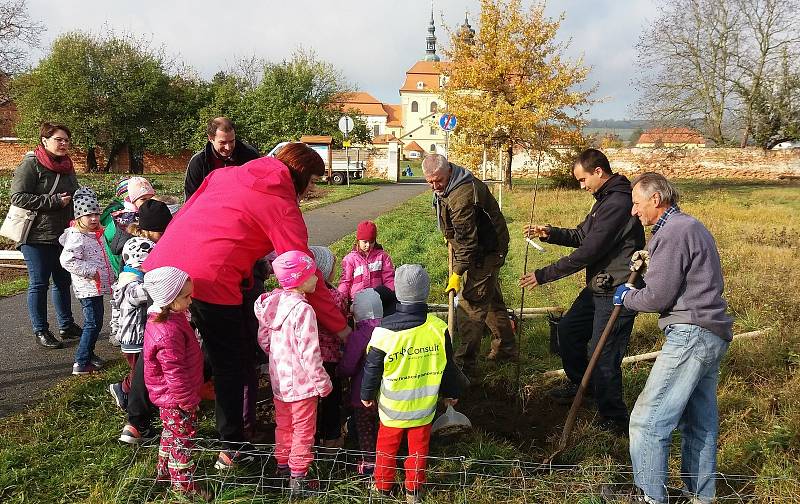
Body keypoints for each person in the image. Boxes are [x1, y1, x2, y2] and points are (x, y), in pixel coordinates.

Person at [143, 142, 350, 469]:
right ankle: (233, 445)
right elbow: (302, 270)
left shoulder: (227, 174)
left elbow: (190, 208)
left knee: (161, 338)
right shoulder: (281, 204)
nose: (311, 189)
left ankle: (137, 418)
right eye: (311, 181)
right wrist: (341, 327)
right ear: (298, 175)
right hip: (210, 276)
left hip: (165, 265)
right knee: (232, 360)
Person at [615, 173, 733, 504]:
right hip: (712, 333)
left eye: (637, 204)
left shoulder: (672, 232)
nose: (634, 212)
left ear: (656, 199)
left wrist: (627, 297)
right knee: (699, 424)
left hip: (691, 335)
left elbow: (658, 298)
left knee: (647, 422)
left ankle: (649, 497)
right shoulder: (689, 225)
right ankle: (699, 497)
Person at [519, 149, 644, 434]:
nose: (582, 185)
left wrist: (543, 275)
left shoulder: (619, 203)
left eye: (583, 179)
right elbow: (581, 235)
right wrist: (549, 232)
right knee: (568, 331)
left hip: (618, 289)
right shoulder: (603, 201)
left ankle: (613, 418)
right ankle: (582, 385)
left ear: (598, 172)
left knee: (604, 354)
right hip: (599, 284)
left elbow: (588, 251)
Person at [361, 264, 466, 503]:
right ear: (427, 293)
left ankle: (383, 487)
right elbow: (448, 366)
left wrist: (366, 394)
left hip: (391, 411)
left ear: (397, 293)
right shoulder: (438, 329)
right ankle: (414, 491)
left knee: (386, 450)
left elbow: (372, 368)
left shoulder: (383, 333)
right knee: (418, 451)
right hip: (424, 409)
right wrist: (450, 393)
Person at [421, 154, 516, 375]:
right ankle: (506, 349)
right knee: (491, 301)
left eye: (439, 180)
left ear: (449, 172)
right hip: (477, 248)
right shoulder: (449, 185)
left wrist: (457, 272)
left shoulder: (461, 195)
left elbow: (468, 243)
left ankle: (464, 366)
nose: (435, 186)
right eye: (430, 181)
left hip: (485, 251)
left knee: (471, 306)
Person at [253, 251, 332, 496]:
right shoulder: (303, 311)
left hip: (280, 381)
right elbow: (310, 353)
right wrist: (322, 382)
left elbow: (264, 339)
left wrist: (279, 355)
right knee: (303, 429)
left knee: (284, 426)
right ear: (299, 280)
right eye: (312, 275)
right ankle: (299, 477)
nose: (317, 278)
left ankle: (282, 466)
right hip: (303, 384)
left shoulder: (273, 305)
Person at [10, 122, 81, 349]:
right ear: (45, 140)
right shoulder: (31, 164)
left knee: (62, 281)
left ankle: (66, 325)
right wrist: (53, 201)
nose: (63, 144)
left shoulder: (67, 165)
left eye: (66, 140)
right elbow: (18, 197)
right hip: (35, 236)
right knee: (39, 284)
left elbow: (73, 193)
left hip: (63, 234)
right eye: (58, 139)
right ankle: (41, 330)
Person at [142, 267, 207, 499]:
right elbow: (175, 373)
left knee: (171, 433)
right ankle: (184, 485)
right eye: (186, 297)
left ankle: (164, 471)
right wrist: (188, 401)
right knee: (183, 440)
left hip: (169, 398)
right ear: (169, 299)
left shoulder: (169, 318)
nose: (191, 300)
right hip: (176, 399)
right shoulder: (168, 332)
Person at [58, 187, 115, 375]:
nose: (94, 219)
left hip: (95, 287)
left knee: (96, 322)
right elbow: (67, 260)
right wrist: (92, 272)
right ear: (79, 217)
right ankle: (81, 362)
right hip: (87, 287)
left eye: (96, 214)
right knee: (93, 323)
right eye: (88, 215)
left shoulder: (94, 234)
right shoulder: (77, 236)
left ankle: (89, 355)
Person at [337, 288, 384, 476]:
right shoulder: (388, 331)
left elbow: (349, 366)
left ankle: (370, 462)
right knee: (382, 427)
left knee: (365, 430)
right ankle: (387, 457)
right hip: (386, 393)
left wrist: (339, 371)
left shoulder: (358, 336)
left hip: (361, 393)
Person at [108, 237, 155, 410]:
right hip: (133, 338)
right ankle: (123, 389)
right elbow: (139, 295)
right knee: (139, 373)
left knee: (143, 370)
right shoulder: (130, 283)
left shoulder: (133, 278)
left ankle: (134, 392)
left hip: (138, 335)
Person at [310, 245, 348, 448]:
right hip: (330, 356)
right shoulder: (335, 297)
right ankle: (332, 437)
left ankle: (311, 438)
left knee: (312, 400)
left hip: (308, 357)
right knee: (332, 398)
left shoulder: (303, 296)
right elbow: (342, 318)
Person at [183, 116, 260, 200]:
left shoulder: (250, 155)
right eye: (222, 142)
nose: (228, 147)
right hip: (210, 207)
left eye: (232, 141)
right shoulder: (198, 162)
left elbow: (259, 188)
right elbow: (191, 198)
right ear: (210, 138)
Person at [337, 220, 395, 304]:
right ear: (358, 240)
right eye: (365, 242)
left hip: (378, 299)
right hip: (357, 300)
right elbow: (346, 281)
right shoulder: (350, 259)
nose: (368, 245)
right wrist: (341, 298)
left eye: (371, 242)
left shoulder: (382, 256)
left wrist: (391, 293)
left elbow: (388, 277)